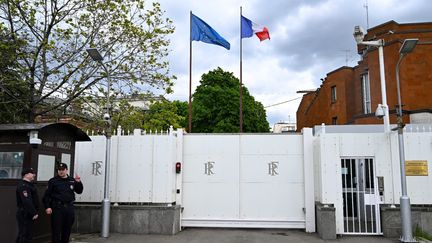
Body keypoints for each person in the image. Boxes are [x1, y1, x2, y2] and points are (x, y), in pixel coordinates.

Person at [43, 163, 83, 243]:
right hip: (58, 208)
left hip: (69, 208)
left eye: (63, 170)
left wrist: (78, 182)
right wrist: (47, 206)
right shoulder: (53, 181)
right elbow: (46, 196)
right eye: (59, 170)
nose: (61, 171)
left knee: (67, 230)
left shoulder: (72, 180)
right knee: (56, 230)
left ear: (66, 170)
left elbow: (79, 191)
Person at [16, 167, 39, 243]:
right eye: (32, 173)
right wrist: (34, 212)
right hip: (25, 213)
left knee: (27, 234)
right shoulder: (23, 186)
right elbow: (26, 201)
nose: (34, 175)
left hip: (28, 213)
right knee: (24, 235)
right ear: (26, 175)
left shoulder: (29, 185)